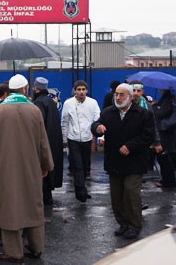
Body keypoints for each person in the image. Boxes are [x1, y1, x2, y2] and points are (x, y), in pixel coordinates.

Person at [0, 74, 54, 263]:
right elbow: (43, 142)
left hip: (5, 167)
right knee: (33, 205)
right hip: (31, 166)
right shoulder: (34, 110)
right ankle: (36, 247)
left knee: (9, 206)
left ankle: (13, 252)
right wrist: (46, 165)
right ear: (25, 89)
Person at [92, 83, 155, 239]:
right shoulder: (108, 112)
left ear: (130, 97)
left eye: (121, 95)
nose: (118, 97)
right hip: (115, 161)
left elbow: (148, 136)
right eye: (116, 94)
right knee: (117, 195)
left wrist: (130, 146)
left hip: (134, 161)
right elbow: (95, 124)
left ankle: (134, 225)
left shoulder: (143, 114)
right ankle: (123, 223)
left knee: (131, 193)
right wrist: (98, 127)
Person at [61, 80, 100, 202]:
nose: (81, 92)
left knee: (85, 165)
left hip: (87, 138)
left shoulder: (93, 103)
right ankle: (81, 191)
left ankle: (81, 188)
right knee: (77, 165)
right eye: (79, 89)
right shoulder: (68, 103)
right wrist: (64, 139)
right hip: (73, 138)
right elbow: (64, 121)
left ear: (86, 90)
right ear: (75, 90)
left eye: (83, 89)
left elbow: (98, 119)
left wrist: (98, 135)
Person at [32, 77, 64, 205]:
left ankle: (45, 198)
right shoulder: (50, 101)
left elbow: (39, 123)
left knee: (43, 170)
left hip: (45, 140)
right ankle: (48, 196)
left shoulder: (39, 102)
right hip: (54, 139)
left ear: (36, 88)